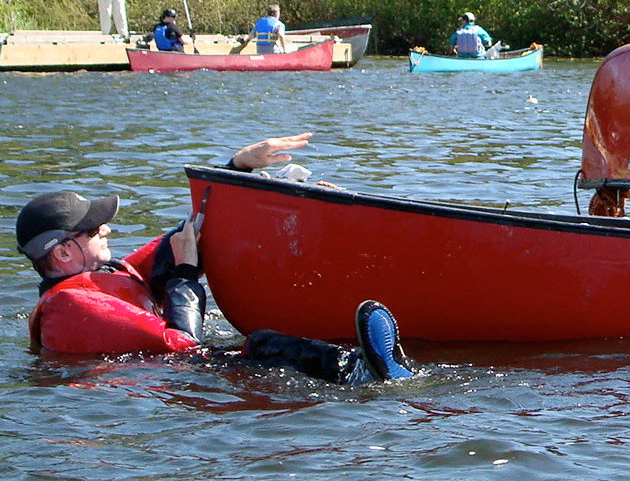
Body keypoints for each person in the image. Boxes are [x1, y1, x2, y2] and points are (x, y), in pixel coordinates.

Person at [16, 133, 412, 385]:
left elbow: (192, 234)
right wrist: (186, 273)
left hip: (192, 367)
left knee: (261, 343)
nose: (105, 229)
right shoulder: (67, 304)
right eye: (92, 229)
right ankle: (366, 374)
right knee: (263, 344)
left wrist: (239, 169)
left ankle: (378, 367)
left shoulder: (112, 273)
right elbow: (182, 345)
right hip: (184, 378)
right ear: (63, 252)